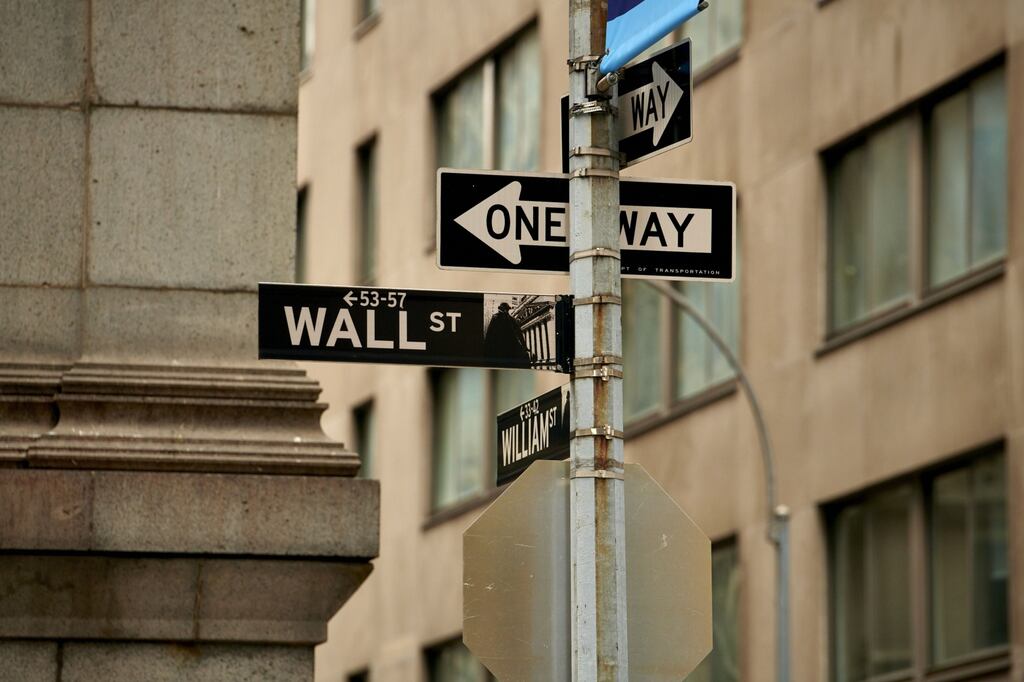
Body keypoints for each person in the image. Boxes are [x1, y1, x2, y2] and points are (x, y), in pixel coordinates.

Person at [484, 302, 532, 368]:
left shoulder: (511, 319)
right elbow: (490, 333)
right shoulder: (496, 317)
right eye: (505, 309)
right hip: (500, 347)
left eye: (506, 309)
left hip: (508, 348)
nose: (506, 311)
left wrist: (524, 346)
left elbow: (519, 333)